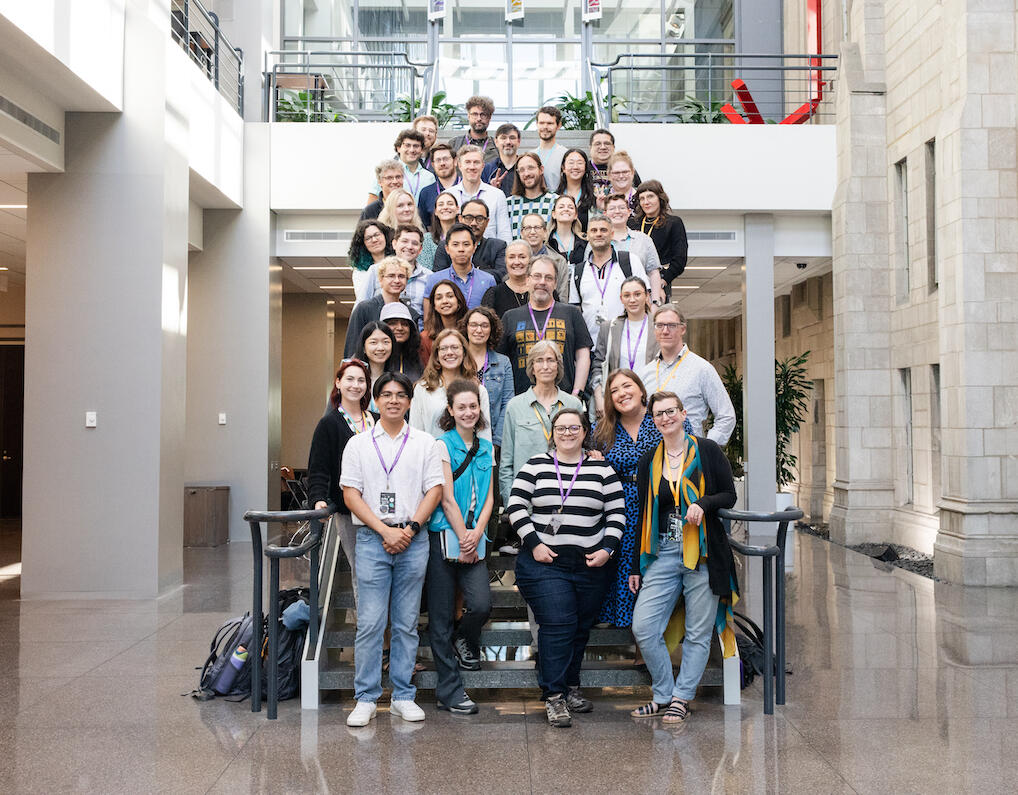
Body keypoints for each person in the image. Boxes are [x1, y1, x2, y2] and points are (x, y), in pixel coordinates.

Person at [507, 407, 626, 728]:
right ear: (552, 432)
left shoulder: (603, 470)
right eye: (561, 428)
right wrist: (535, 543)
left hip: (591, 564)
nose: (568, 433)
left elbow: (617, 513)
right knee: (558, 624)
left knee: (579, 627)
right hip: (544, 561)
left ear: (585, 432)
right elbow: (516, 505)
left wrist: (607, 549)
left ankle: (571, 686)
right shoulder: (536, 464)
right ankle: (554, 696)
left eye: (575, 428)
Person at [628, 391, 739, 724]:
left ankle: (680, 698)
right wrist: (636, 564)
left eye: (670, 411)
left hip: (703, 553)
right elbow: (644, 513)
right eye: (659, 414)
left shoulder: (707, 450)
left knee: (698, 632)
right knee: (644, 626)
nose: (665, 418)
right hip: (663, 550)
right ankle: (662, 693)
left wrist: (703, 504)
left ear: (683, 412)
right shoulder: (649, 460)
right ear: (653, 420)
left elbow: (729, 496)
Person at [340, 372, 444, 727]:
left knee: (405, 623)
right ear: (375, 400)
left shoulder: (425, 443)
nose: (394, 400)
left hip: (413, 540)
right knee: (370, 622)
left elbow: (434, 490)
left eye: (401, 395)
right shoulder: (358, 444)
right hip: (372, 539)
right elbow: (350, 494)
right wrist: (384, 529)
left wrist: (411, 528)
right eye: (386, 395)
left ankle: (402, 695)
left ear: (410, 402)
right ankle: (366, 698)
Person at [426, 379, 495, 713]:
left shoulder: (486, 446)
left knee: (481, 605)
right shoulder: (441, 445)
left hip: (475, 539)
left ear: (479, 410)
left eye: (473, 406)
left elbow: (490, 496)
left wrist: (477, 532)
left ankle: (464, 637)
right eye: (461, 407)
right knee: (439, 618)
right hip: (444, 537)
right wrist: (463, 533)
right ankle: (450, 690)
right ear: (450, 411)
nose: (468, 412)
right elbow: (446, 496)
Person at [589, 369, 662, 628]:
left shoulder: (661, 419)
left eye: (627, 386)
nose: (622, 394)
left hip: (658, 505)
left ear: (641, 390)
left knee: (654, 568)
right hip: (620, 506)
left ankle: (649, 637)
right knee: (624, 570)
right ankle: (627, 628)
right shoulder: (603, 430)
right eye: (614, 391)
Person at [307, 358, 375, 608]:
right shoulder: (329, 424)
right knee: (362, 572)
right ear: (338, 383)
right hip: (349, 512)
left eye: (361, 380)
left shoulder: (377, 420)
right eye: (349, 379)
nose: (355, 385)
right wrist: (318, 499)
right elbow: (319, 467)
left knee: (381, 573)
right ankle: (369, 637)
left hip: (382, 509)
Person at [498, 340, 582, 511]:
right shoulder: (515, 406)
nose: (546, 366)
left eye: (551, 360)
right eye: (539, 360)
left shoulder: (573, 404)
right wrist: (513, 507)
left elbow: (582, 453)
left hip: (566, 499)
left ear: (558, 366)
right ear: (532, 367)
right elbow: (506, 464)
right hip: (527, 501)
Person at [637, 305, 736, 444]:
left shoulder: (702, 369)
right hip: (653, 456)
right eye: (660, 325)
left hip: (690, 455)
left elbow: (726, 416)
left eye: (671, 325)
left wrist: (705, 448)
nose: (665, 331)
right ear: (654, 330)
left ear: (682, 329)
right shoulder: (644, 373)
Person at [497, 255, 592, 396]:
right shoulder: (510, 317)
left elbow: (583, 355)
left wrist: (577, 393)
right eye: (537, 276)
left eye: (548, 278)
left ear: (555, 283)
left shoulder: (571, 313)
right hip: (522, 401)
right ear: (527, 280)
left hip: (564, 401)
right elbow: (501, 362)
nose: (542, 282)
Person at [571, 212, 649, 340]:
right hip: (591, 344)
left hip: (626, 342)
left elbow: (646, 300)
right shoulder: (579, 271)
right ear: (588, 236)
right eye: (594, 230)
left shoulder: (630, 261)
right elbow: (576, 310)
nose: (599, 234)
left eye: (603, 230)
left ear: (612, 234)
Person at [591, 276, 660, 419]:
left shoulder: (659, 326)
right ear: (621, 299)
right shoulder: (609, 328)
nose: (632, 300)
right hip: (619, 402)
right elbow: (598, 365)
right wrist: (599, 398)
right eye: (627, 295)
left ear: (647, 296)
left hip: (652, 401)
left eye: (637, 294)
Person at [410, 328, 492, 442]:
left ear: (464, 352)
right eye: (443, 348)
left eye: (455, 347)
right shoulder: (423, 389)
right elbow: (415, 432)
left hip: (469, 457)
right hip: (433, 456)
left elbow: (484, 434)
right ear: (437, 356)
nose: (449, 352)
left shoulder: (478, 389)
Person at [343, 256, 421, 358]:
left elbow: (412, 351)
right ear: (380, 279)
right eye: (391, 276)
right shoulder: (364, 309)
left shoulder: (411, 314)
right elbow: (352, 347)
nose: (397, 280)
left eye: (401, 276)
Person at [460, 306, 513, 449]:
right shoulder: (456, 361)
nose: (479, 330)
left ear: (492, 330)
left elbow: (507, 404)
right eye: (474, 325)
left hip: (491, 435)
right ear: (466, 328)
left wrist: (496, 441)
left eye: (484, 326)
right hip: (458, 437)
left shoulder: (503, 362)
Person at [630, 180, 688, 297]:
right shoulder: (631, 224)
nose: (646, 202)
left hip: (660, 279)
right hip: (632, 280)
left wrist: (663, 281)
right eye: (642, 198)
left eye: (650, 197)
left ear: (660, 198)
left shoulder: (673, 223)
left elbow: (680, 258)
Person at [605, 193, 664, 305]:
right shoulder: (598, 241)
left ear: (629, 212)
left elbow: (653, 272)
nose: (617, 211)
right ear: (605, 214)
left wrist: (655, 302)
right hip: (609, 301)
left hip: (640, 302)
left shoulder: (644, 240)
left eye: (622, 208)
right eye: (612, 208)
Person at [364, 224, 432, 322]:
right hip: (381, 333)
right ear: (394, 244)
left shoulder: (429, 277)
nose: (409, 246)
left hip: (416, 334)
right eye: (404, 241)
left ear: (420, 249)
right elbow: (362, 305)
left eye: (415, 243)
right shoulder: (375, 271)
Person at [422, 223, 497, 312]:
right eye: (455, 244)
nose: (461, 249)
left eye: (466, 244)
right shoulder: (434, 280)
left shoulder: (488, 280)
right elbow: (428, 320)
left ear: (474, 247)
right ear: (447, 249)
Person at [447, 145, 511, 242]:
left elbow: (504, 233)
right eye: (467, 162)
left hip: (489, 255)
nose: (472, 167)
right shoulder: (449, 195)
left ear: (483, 166)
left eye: (476, 162)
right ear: (459, 165)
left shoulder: (497, 195)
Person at [432, 199, 507, 279]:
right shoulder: (445, 246)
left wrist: (466, 272)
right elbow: (439, 276)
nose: (473, 223)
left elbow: (502, 275)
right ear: (460, 219)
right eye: (468, 218)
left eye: (479, 219)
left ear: (487, 222)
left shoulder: (498, 246)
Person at [367, 129, 435, 203]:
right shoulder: (386, 173)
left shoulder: (429, 177)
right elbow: (372, 204)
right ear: (398, 148)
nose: (412, 150)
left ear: (421, 150)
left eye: (416, 146)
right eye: (407, 145)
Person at [519, 212, 571, 301]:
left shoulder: (559, 261)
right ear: (521, 233)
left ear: (545, 232)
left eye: (537, 228)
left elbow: (563, 296)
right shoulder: (515, 261)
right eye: (528, 228)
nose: (532, 232)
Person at [506, 153, 558, 239]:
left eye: (530, 168)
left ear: (541, 170)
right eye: (522, 170)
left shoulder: (555, 201)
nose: (526, 174)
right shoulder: (508, 204)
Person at [420, 279, 468, 364]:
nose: (445, 301)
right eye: (439, 298)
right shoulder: (425, 338)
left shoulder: (470, 333)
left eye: (450, 296)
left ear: (459, 302)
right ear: (434, 305)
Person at [482, 239, 532, 318]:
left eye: (522, 257)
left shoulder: (542, 290)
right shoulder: (494, 294)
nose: (517, 262)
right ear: (505, 261)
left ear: (531, 260)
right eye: (511, 257)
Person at [348, 220, 394, 302]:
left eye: (377, 235)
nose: (374, 240)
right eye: (368, 238)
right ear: (363, 244)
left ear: (385, 236)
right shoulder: (360, 271)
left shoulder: (399, 262)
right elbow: (362, 298)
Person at [354, 322, 397, 408]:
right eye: (373, 342)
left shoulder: (397, 380)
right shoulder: (354, 381)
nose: (380, 348)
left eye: (386, 342)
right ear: (363, 348)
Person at [417, 143, 459, 228]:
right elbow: (425, 224)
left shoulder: (466, 188)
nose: (442, 163)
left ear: (455, 161)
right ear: (433, 165)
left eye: (446, 159)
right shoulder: (426, 193)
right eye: (438, 160)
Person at [381, 301, 424, 383]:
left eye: (404, 324)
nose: (400, 328)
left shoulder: (418, 357)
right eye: (393, 323)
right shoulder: (372, 355)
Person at [588, 129, 641, 195]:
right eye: (598, 144)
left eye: (607, 143)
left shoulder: (626, 170)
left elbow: (640, 193)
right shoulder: (583, 170)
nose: (603, 147)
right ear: (590, 148)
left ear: (613, 147)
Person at [449, 96, 499, 163]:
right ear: (468, 116)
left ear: (489, 117)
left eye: (483, 114)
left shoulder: (497, 146)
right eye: (475, 114)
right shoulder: (454, 144)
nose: (479, 119)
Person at [555, 148, 596, 229]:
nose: (575, 167)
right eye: (571, 163)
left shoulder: (593, 196)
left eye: (580, 163)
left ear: (585, 168)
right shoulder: (555, 197)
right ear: (563, 168)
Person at [420, 190, 459, 271]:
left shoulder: (466, 236)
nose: (445, 207)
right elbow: (425, 269)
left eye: (450, 204)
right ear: (436, 211)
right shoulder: (427, 239)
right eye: (441, 204)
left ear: (457, 209)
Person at [533, 105, 568, 192]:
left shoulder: (565, 154)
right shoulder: (530, 155)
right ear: (536, 124)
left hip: (558, 203)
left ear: (559, 125)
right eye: (541, 123)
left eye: (550, 123)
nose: (545, 127)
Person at [546, 194, 586, 268]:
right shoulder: (546, 242)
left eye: (570, 207)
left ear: (576, 215)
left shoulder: (584, 241)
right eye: (561, 207)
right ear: (553, 214)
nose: (566, 209)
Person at [482, 123, 521, 197]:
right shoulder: (487, 169)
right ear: (496, 142)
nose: (508, 142)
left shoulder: (525, 169)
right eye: (503, 138)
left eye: (512, 138)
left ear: (518, 141)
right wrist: (491, 189)